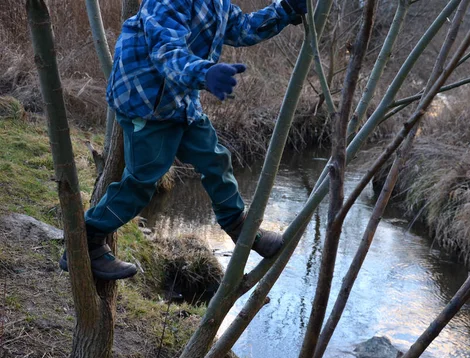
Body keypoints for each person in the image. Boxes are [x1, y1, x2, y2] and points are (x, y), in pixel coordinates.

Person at [59, 0, 307, 280]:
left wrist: (285, 10)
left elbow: (242, 29)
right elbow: (166, 51)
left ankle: (239, 226)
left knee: (215, 160)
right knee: (143, 178)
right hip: (146, 103)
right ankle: (86, 242)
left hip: (180, 102)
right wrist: (205, 73)